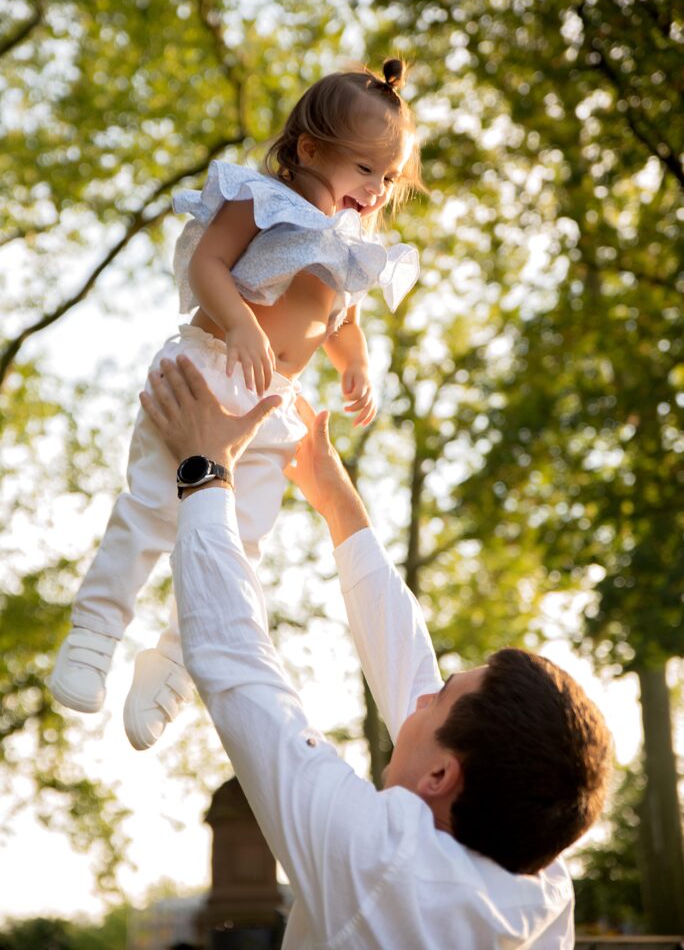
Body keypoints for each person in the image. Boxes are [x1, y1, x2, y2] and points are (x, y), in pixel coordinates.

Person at [142, 355, 612, 949]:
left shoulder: (383, 871)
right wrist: (339, 506)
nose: (418, 698)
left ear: (441, 775)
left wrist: (204, 469)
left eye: (438, 699)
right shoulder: (538, 874)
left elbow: (240, 673)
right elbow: (408, 661)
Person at [49, 59, 422, 749]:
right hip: (209, 370)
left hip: (271, 406)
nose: (376, 190)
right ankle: (94, 632)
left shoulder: (352, 249)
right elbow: (207, 265)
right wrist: (246, 324)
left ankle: (173, 662)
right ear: (311, 151)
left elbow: (341, 323)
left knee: (237, 544)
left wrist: (357, 364)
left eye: (388, 177)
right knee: (155, 509)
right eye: (366, 169)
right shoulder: (263, 199)